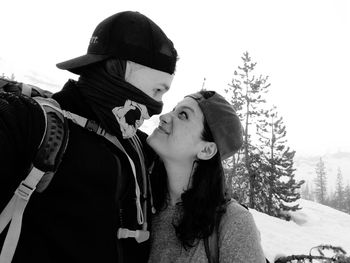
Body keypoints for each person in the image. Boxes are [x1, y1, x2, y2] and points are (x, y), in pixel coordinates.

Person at [0, 11, 177, 263]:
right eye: (158, 89)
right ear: (118, 72)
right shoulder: (36, 124)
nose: (158, 105)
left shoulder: (135, 144)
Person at [146, 90, 266, 263]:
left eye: (183, 115)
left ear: (206, 150)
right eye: (173, 109)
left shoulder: (234, 223)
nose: (164, 116)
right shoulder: (140, 199)